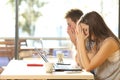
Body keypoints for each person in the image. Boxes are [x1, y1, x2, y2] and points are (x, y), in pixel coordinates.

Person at [75, 11, 120, 80]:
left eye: (85, 30)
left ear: (95, 27)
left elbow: (88, 67)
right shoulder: (97, 43)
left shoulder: (110, 42)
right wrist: (80, 41)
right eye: (82, 31)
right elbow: (82, 64)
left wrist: (80, 42)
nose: (83, 34)